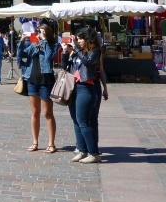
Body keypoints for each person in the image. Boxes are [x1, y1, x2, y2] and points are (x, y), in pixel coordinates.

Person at [66, 26, 108, 164]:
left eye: (80, 39)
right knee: (77, 120)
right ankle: (82, 150)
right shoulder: (77, 52)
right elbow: (65, 67)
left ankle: (94, 153)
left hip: (87, 88)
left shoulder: (95, 52)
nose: (78, 42)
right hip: (74, 87)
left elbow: (88, 62)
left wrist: (105, 88)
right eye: (77, 39)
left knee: (84, 121)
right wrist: (67, 53)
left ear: (87, 39)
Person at [20, 24, 60, 153]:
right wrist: (21, 42)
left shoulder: (53, 45)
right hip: (32, 80)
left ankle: (51, 143)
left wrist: (44, 41)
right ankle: (35, 142)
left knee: (48, 113)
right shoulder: (34, 45)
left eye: (43, 32)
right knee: (34, 112)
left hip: (46, 81)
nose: (40, 33)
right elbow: (22, 54)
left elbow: (49, 57)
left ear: (47, 33)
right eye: (39, 31)